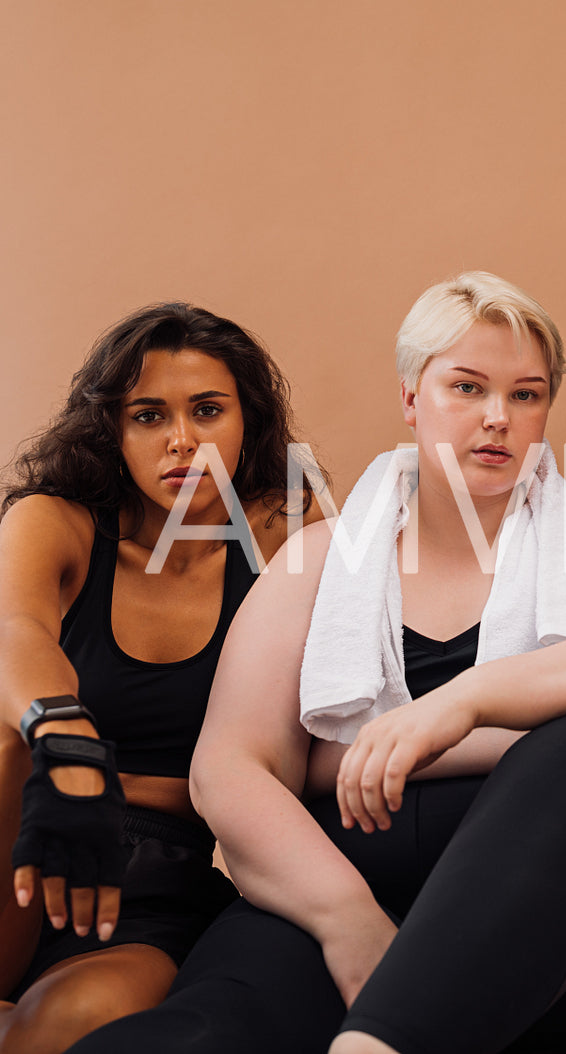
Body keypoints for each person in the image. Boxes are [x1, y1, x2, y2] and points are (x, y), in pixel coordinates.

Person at [65, 271, 566, 1054]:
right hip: (335, 886)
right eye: (466, 388)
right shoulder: (317, 561)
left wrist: (454, 706)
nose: (497, 419)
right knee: (194, 1037)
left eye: (526, 395)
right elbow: (228, 771)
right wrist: (349, 921)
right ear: (412, 398)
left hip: (540, 915)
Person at [0, 302, 318, 1053]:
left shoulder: (285, 541)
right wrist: (66, 740)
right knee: (12, 740)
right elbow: (15, 631)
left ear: (249, 421)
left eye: (208, 410)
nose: (182, 441)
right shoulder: (60, 522)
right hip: (18, 822)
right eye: (148, 415)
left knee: (63, 1025)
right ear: (113, 429)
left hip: (144, 893)